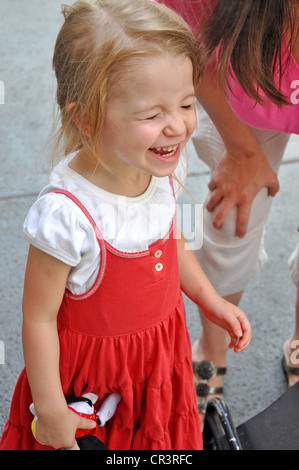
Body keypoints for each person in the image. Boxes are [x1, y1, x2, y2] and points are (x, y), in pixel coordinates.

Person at [0, 0, 251, 451]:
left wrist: (208, 299)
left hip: (158, 363)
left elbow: (170, 242)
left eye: (188, 104)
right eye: (153, 115)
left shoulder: (157, 170)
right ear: (87, 117)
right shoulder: (68, 216)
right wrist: (52, 408)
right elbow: (37, 318)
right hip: (90, 381)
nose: (177, 125)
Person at [158, 0, 299, 412]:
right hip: (240, 73)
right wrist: (240, 147)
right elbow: (183, 34)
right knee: (233, 217)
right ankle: (212, 349)